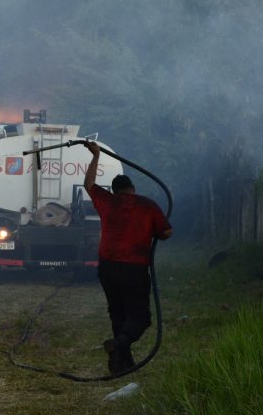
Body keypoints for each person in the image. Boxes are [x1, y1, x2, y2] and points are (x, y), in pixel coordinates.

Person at [83, 141, 173, 374]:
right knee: (140, 318)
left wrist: (95, 156)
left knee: (118, 313)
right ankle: (120, 345)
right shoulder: (147, 205)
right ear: (132, 188)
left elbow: (89, 183)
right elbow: (166, 232)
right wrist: (153, 233)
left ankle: (122, 363)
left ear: (114, 191)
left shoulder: (107, 202)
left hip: (108, 267)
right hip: (133, 268)